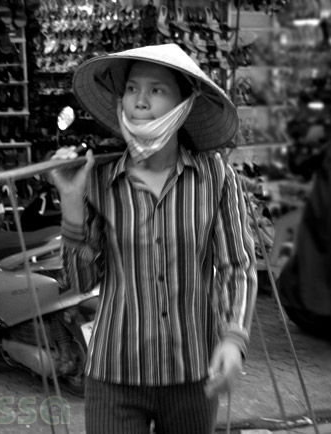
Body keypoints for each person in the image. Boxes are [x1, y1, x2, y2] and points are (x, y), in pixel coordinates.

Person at [51, 44, 258, 434]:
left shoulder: (215, 178)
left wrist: (233, 337)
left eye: (157, 90)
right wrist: (72, 206)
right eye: (131, 89)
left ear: (185, 106)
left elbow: (238, 265)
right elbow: (79, 284)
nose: (139, 101)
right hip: (115, 373)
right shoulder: (98, 179)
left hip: (193, 375)